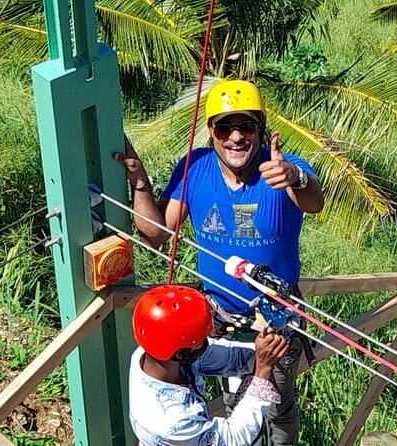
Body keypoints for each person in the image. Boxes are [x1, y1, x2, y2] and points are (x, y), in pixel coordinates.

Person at [116, 79, 324, 445]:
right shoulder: (195, 167)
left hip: (272, 322)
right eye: (225, 127)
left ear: (260, 128)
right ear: (211, 131)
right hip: (212, 323)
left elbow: (313, 201)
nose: (236, 137)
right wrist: (140, 182)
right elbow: (157, 232)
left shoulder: (281, 169)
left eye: (246, 125)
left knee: (277, 406)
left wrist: (296, 176)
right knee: (234, 401)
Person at [129, 284, 289, 445]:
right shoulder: (174, 423)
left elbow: (227, 357)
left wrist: (262, 352)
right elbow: (231, 439)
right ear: (180, 353)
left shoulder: (154, 355)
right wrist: (262, 371)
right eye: (201, 339)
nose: (208, 340)